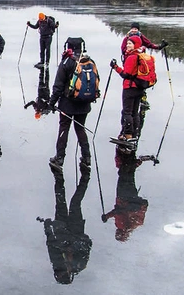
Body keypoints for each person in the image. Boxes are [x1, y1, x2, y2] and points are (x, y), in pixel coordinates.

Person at [38, 168, 91, 284]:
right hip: (76, 228)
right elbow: (87, 242)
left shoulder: (56, 262)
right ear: (69, 273)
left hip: (60, 228)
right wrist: (72, 243)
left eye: (57, 272)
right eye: (62, 272)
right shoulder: (80, 264)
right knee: (75, 202)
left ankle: (58, 175)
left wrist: (47, 228)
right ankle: (86, 176)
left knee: (59, 198)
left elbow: (50, 245)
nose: (60, 269)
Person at [47, 40, 94, 174]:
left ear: (69, 47)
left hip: (67, 104)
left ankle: (59, 158)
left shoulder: (67, 62)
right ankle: (87, 157)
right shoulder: (88, 61)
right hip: (84, 103)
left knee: (64, 129)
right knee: (80, 129)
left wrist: (51, 103)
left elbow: (58, 86)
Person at [102, 146, 149, 242]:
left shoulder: (133, 225)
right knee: (123, 174)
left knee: (130, 176)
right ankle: (129, 155)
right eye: (118, 235)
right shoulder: (122, 226)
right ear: (121, 234)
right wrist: (107, 216)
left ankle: (132, 155)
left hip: (133, 197)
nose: (116, 233)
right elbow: (119, 212)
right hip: (123, 198)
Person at [120, 22, 168, 110]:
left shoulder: (141, 37)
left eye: (136, 29)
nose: (134, 30)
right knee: (130, 80)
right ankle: (135, 99)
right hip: (130, 63)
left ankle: (141, 97)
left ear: (138, 29)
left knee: (140, 79)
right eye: (133, 28)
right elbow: (123, 50)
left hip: (140, 63)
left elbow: (149, 44)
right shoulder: (127, 38)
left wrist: (159, 47)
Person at [110, 36, 145, 143]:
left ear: (136, 45)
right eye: (127, 43)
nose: (128, 45)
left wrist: (115, 67)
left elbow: (125, 74)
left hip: (130, 88)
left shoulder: (132, 57)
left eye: (130, 43)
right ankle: (134, 133)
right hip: (140, 88)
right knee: (135, 112)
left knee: (127, 112)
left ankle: (128, 134)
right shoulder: (141, 55)